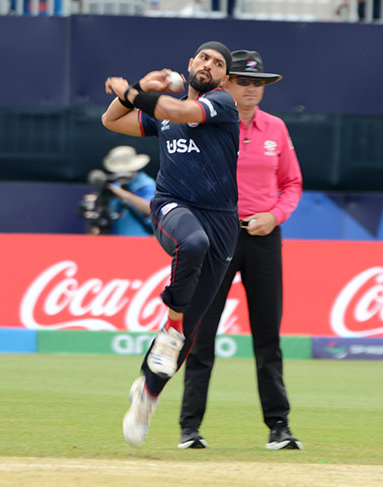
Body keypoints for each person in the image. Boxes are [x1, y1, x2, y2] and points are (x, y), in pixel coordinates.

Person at [101, 41, 240, 447]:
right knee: (191, 243)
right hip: (172, 207)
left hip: (222, 223)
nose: (210, 66)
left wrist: (133, 91)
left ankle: (146, 393)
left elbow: (177, 111)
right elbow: (112, 121)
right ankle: (171, 327)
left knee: (189, 334)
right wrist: (142, 87)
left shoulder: (222, 104)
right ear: (190, 64)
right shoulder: (163, 112)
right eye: (204, 59)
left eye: (218, 64)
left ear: (223, 78)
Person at [178, 50, 304, 451]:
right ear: (225, 84)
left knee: (268, 335)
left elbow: (292, 184)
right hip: (217, 235)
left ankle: (279, 427)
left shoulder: (276, 129)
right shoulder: (208, 122)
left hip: (263, 237)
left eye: (258, 83)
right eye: (243, 82)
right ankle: (189, 428)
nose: (251, 90)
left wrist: (275, 215)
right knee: (202, 334)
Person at [84, 146, 156, 236]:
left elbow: (151, 209)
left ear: (133, 168)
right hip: (115, 241)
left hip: (139, 240)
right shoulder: (114, 184)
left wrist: (124, 194)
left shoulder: (145, 184)